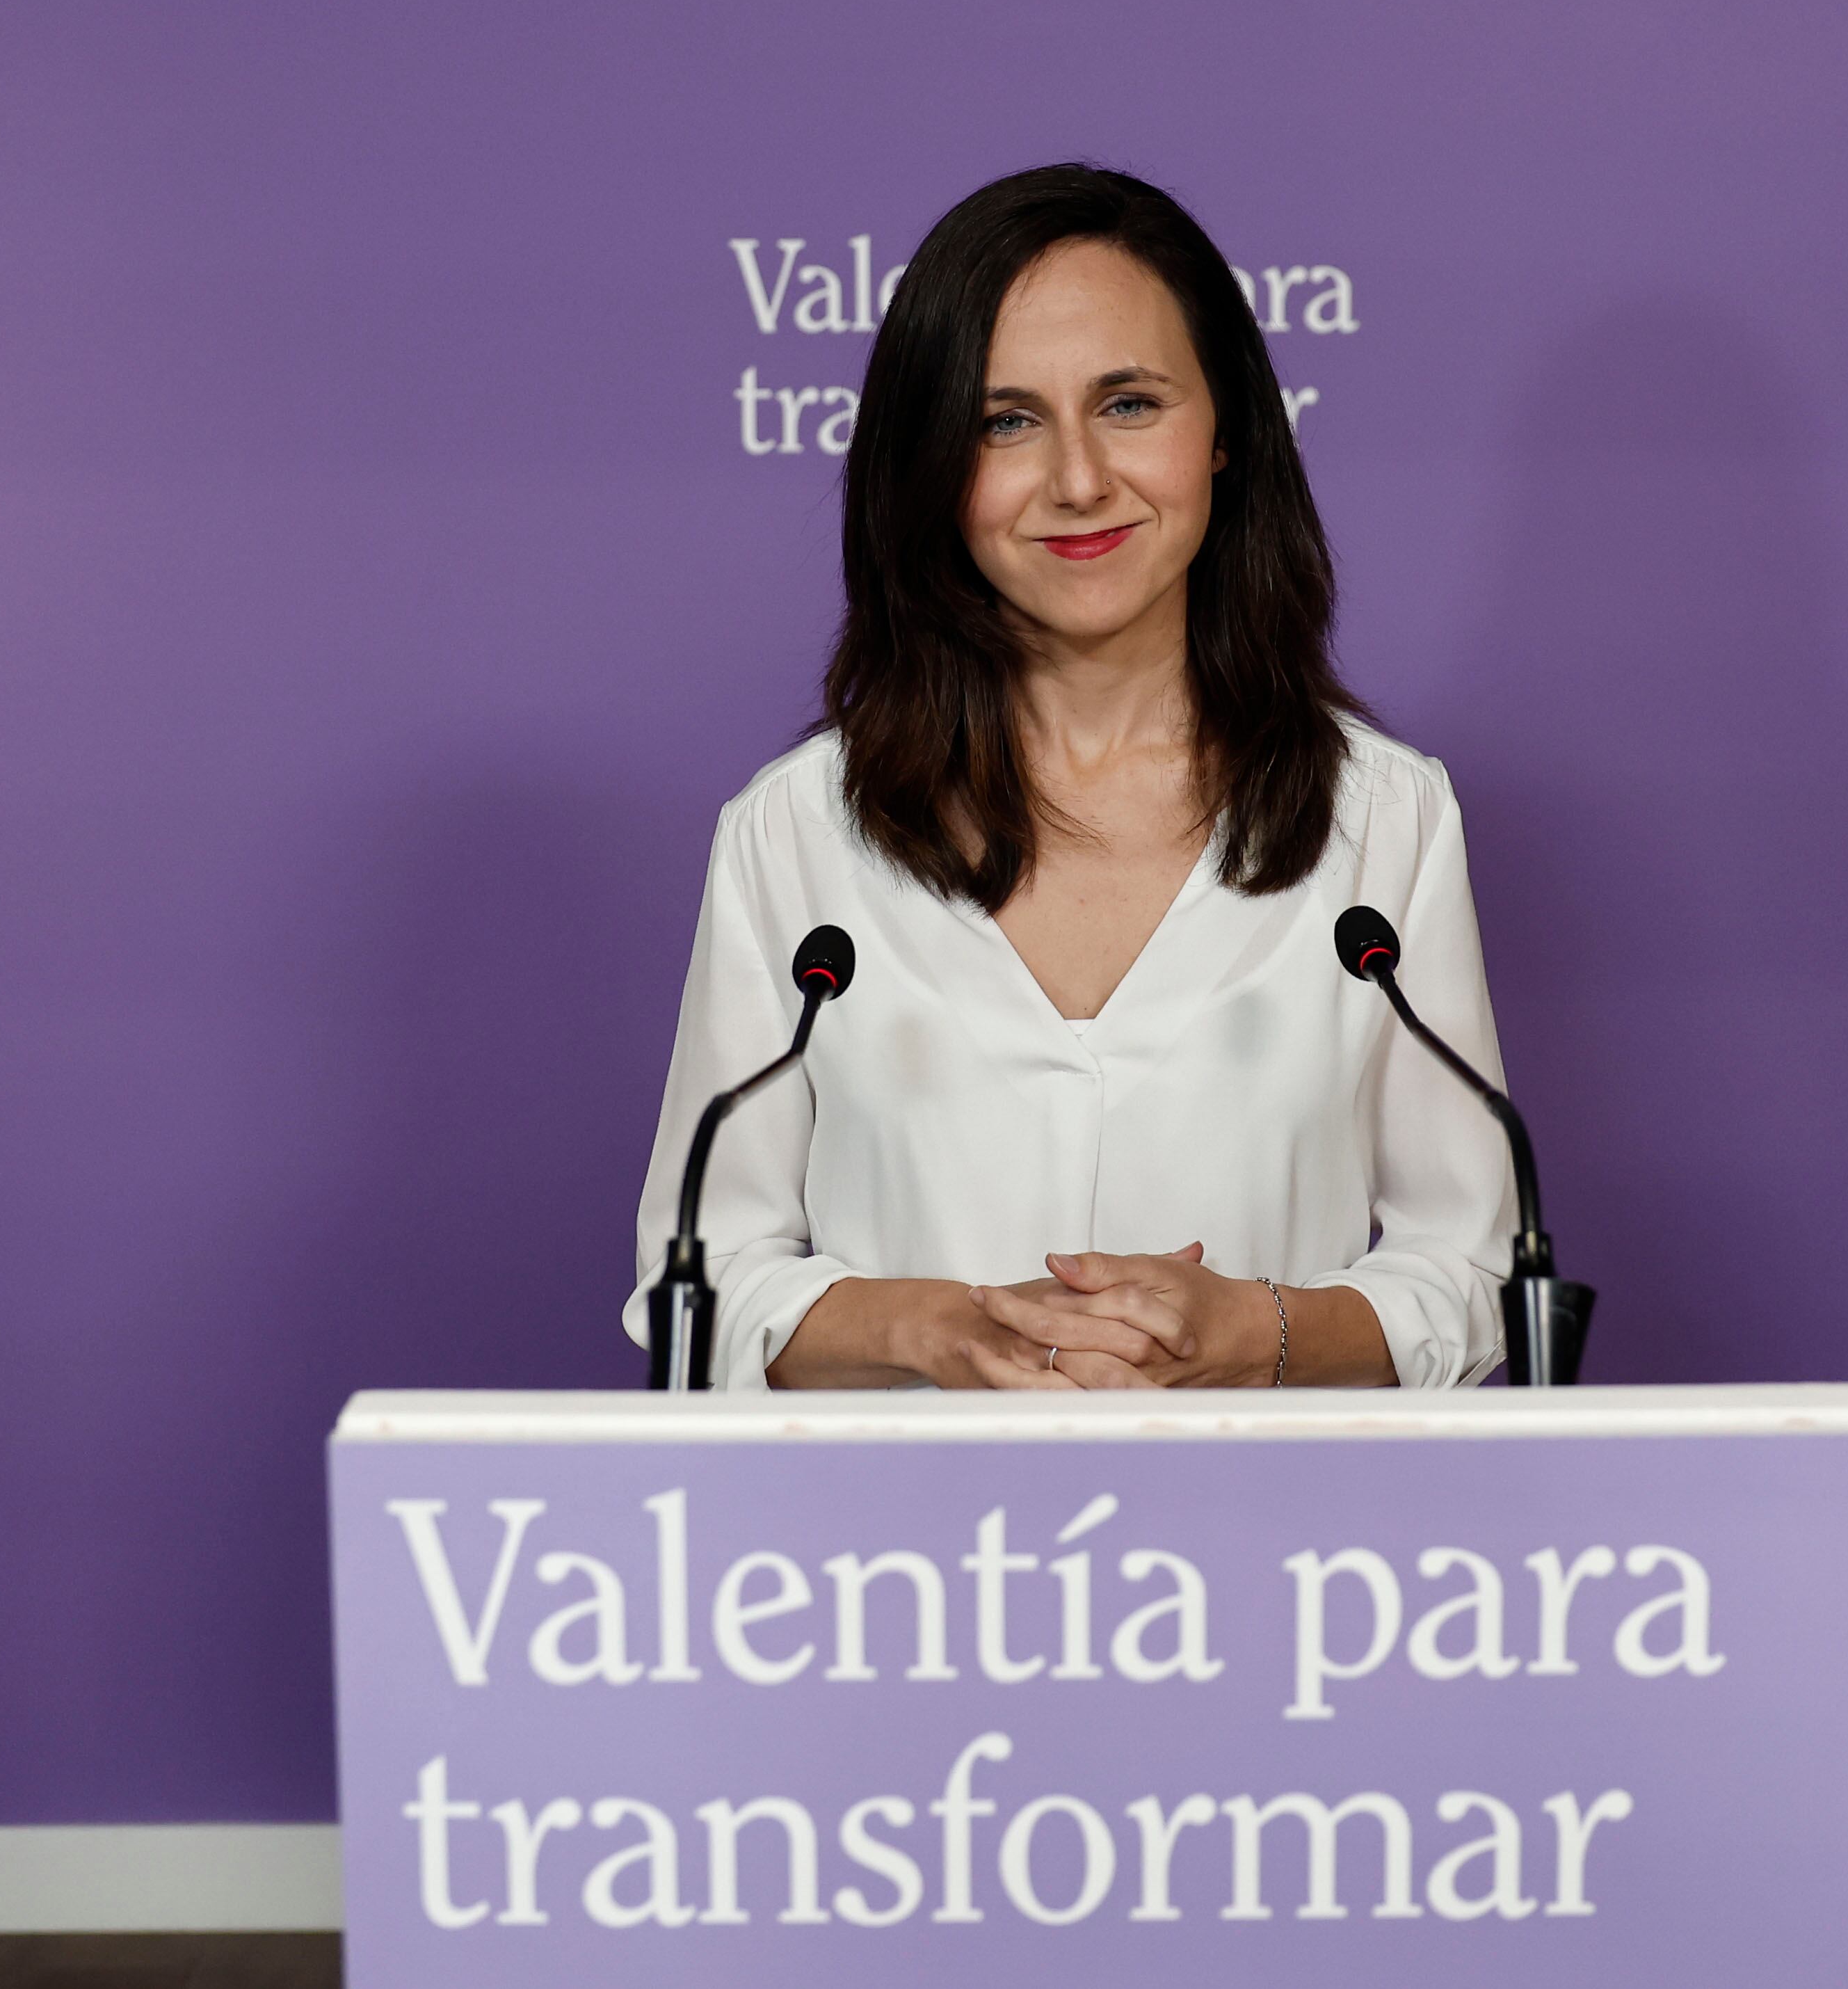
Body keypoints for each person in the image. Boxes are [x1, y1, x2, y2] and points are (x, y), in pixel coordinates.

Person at [625, 163, 1517, 1391]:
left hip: (1276, 1564)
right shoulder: (794, 834)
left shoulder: (1387, 818)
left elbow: (1473, 1278)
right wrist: (932, 1328)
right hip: (897, 1566)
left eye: (1131, 403)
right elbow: (698, 1283)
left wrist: (1257, 1331)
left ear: (1227, 435)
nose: (1081, 479)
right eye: (1006, 422)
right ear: (933, 471)